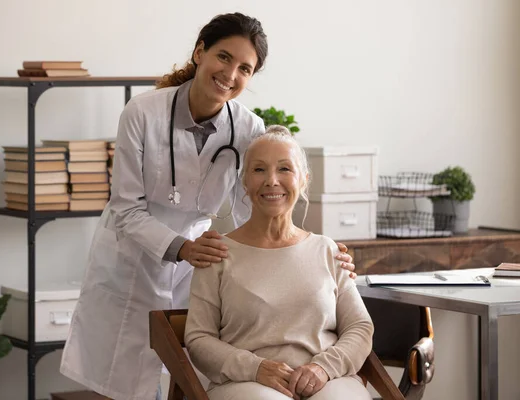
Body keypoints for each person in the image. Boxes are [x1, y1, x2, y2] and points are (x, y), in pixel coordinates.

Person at [60, 12, 356, 400]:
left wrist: (306, 250)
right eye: (223, 57)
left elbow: (254, 208)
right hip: (130, 260)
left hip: (198, 262)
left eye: (245, 68)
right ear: (200, 52)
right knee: (123, 384)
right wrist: (182, 248)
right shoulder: (142, 113)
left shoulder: (249, 127)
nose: (231, 74)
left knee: (192, 376)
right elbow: (126, 208)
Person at [185, 126, 374, 400]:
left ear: (304, 180)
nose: (272, 180)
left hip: (327, 380)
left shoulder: (327, 250)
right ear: (244, 183)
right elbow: (199, 338)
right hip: (244, 384)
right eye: (259, 170)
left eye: (285, 169)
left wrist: (323, 368)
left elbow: (360, 327)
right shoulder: (216, 254)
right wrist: (256, 368)